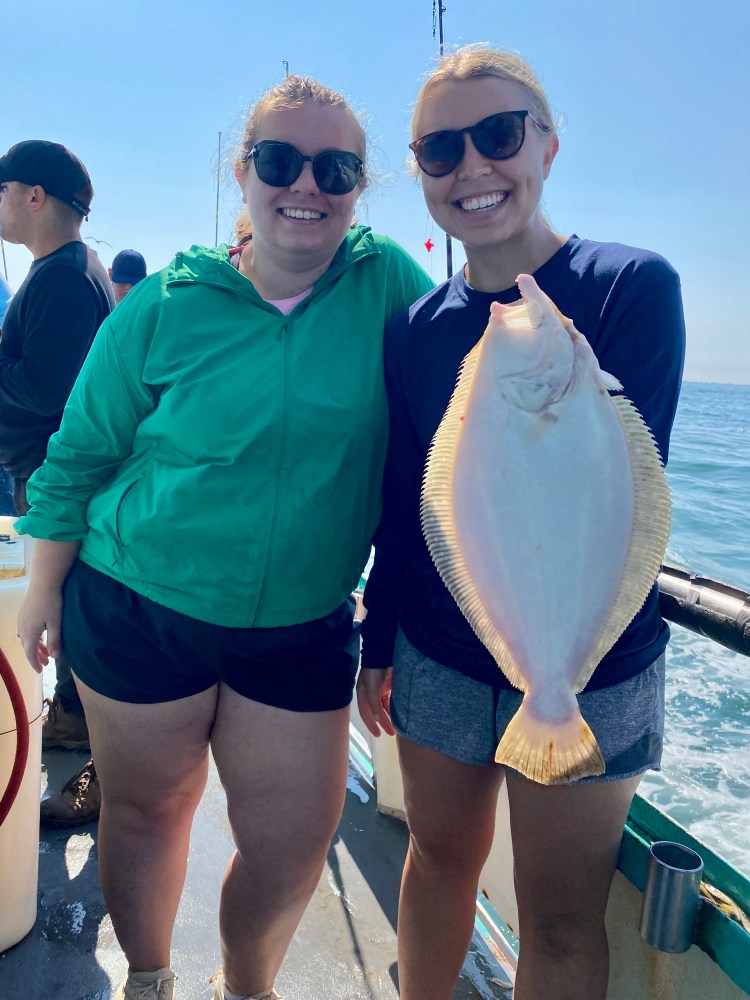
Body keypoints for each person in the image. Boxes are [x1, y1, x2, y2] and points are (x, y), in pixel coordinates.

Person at [17, 75, 432, 1000]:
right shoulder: (164, 302)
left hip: (301, 624)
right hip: (136, 606)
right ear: (242, 174)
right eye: (280, 162)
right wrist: (44, 588)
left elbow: (464, 406)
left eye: (337, 168)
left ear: (361, 185)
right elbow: (80, 454)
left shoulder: (393, 286)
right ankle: (151, 980)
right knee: (149, 813)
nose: (307, 185)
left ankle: (246, 987)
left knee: (290, 844)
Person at [357, 47, 686, 1000]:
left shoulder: (631, 287)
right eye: (439, 149)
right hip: (441, 656)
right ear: (420, 171)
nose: (473, 168)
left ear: (547, 144)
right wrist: (377, 643)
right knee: (436, 863)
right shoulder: (415, 327)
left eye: (499, 135)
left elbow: (626, 485)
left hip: (595, 661)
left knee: (557, 915)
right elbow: (403, 503)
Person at [0, 140, 114, 826]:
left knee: (84, 621)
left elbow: (46, 391)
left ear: (33, 195)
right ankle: (73, 717)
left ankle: (108, 769)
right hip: (49, 485)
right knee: (74, 626)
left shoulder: (67, 279)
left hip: (63, 493)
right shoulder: (65, 271)